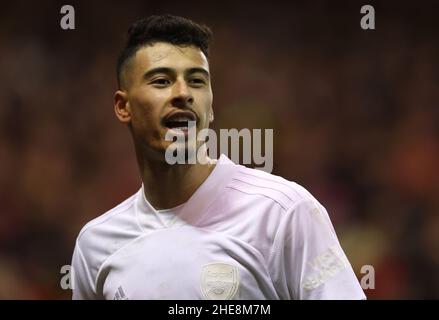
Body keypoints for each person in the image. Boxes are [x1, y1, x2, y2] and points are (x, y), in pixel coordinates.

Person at [71, 14, 366, 300]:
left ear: (210, 108)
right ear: (124, 107)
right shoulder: (96, 245)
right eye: (161, 81)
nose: (183, 93)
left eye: (197, 81)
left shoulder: (283, 214)